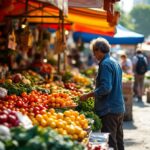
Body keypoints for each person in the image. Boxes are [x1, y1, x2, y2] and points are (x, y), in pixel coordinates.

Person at [80, 38, 125, 150]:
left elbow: (106, 88)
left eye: (94, 52)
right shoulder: (115, 62)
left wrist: (88, 95)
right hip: (118, 107)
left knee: (111, 143)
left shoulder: (105, 64)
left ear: (99, 50)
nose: (94, 56)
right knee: (119, 141)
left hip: (109, 110)